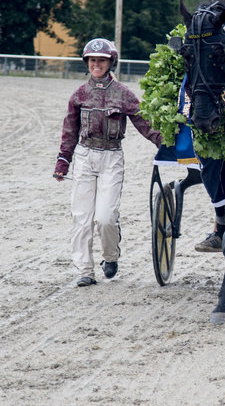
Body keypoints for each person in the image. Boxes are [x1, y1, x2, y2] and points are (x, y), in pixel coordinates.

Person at [54, 38, 161, 287]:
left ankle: (110, 257)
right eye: (92, 60)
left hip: (111, 157)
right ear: (86, 63)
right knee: (82, 217)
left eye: (101, 60)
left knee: (105, 218)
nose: (96, 64)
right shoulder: (79, 95)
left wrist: (165, 143)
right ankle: (85, 270)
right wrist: (63, 162)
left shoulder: (123, 94)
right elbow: (69, 131)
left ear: (111, 62)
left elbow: (144, 123)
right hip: (84, 156)